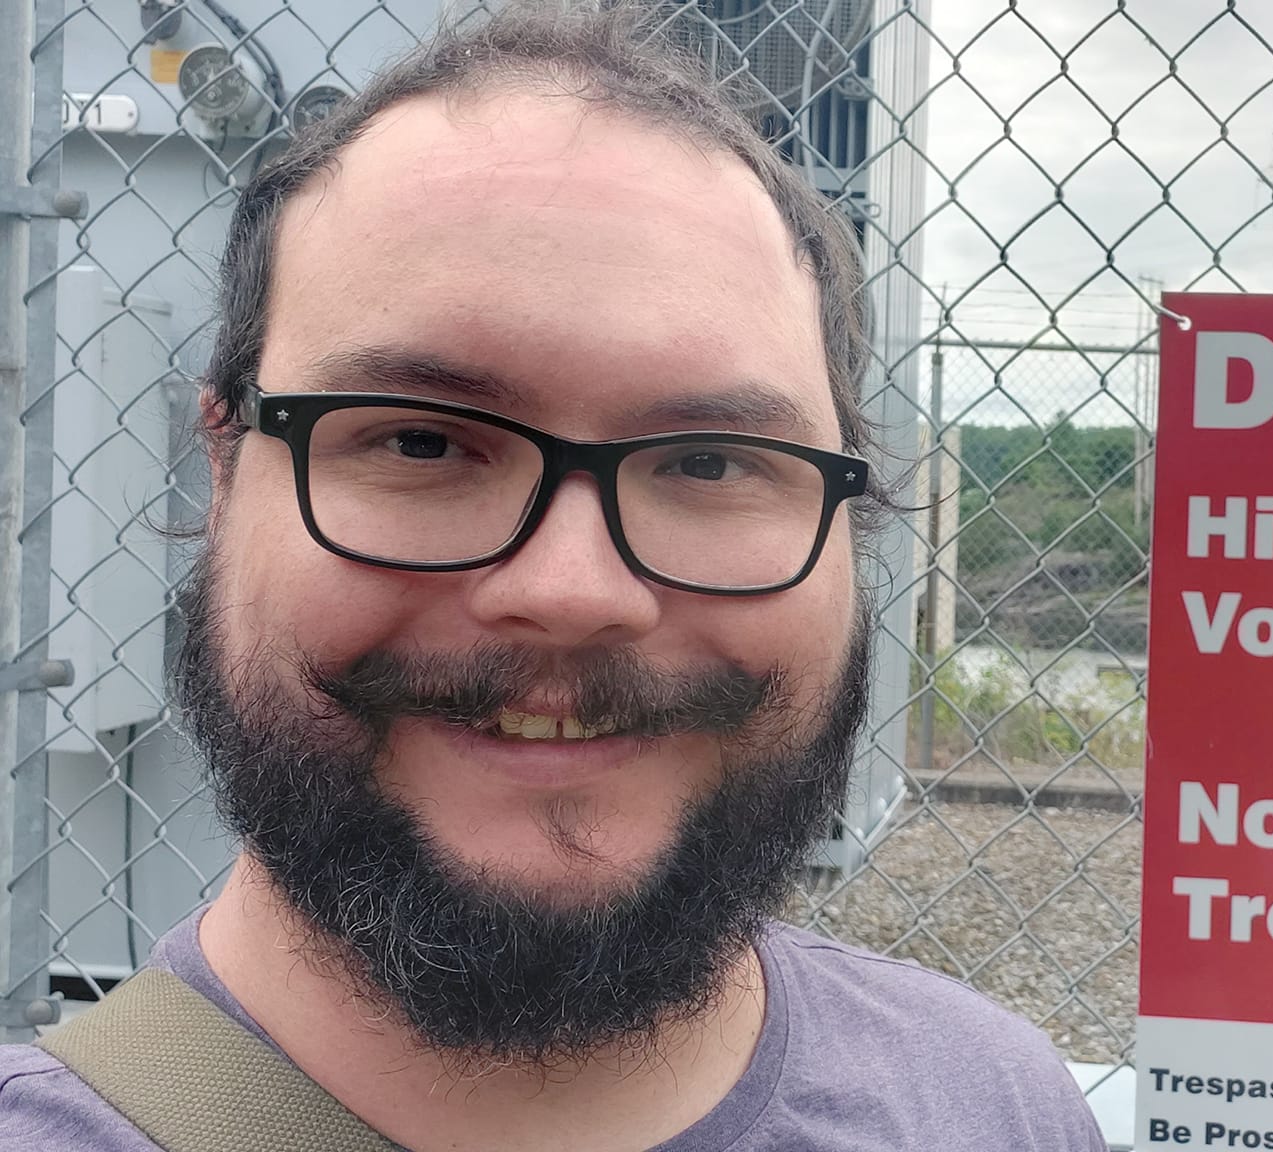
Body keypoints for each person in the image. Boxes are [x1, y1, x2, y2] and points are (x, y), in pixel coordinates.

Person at [0, 3, 1108, 1149]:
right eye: (422, 442)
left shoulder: (989, 1105)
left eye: (710, 461)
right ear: (225, 471)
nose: (575, 590)